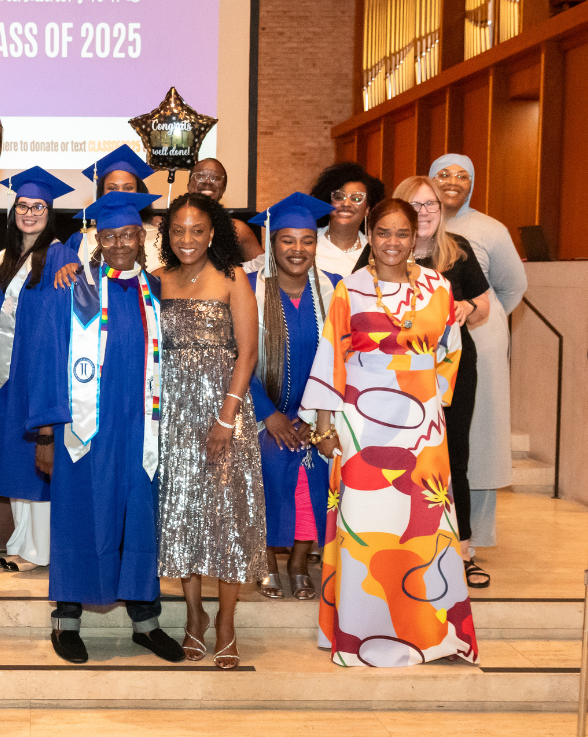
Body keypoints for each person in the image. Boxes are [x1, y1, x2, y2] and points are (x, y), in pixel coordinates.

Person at [301, 198, 479, 668]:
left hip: (421, 430)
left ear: (416, 236)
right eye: (383, 233)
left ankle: (428, 633)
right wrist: (324, 425)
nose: (393, 242)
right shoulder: (350, 290)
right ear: (370, 235)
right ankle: (362, 636)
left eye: (402, 233)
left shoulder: (439, 287)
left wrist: (429, 404)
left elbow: (450, 352)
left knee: (423, 532)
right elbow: (331, 356)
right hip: (361, 424)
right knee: (366, 531)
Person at [26, 190, 184, 665]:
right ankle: (67, 621)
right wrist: (48, 435)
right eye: (109, 235)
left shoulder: (158, 292)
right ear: (97, 238)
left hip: (141, 431)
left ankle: (146, 622)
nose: (119, 243)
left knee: (139, 521)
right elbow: (49, 360)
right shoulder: (73, 288)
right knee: (78, 517)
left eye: (128, 234)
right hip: (84, 432)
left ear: (142, 237)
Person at [354, 177, 492, 587]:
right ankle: (399, 541)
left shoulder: (458, 251)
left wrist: (464, 305)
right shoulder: (378, 250)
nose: (426, 209)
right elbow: (360, 307)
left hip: (446, 370)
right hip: (389, 378)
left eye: (431, 202)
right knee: (399, 459)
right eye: (416, 203)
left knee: (452, 455)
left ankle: (460, 548)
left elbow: (484, 304)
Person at [153, 191, 265, 670]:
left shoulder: (233, 277)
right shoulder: (157, 280)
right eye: (178, 230)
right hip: (172, 414)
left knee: (227, 516)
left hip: (225, 411)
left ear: (213, 231)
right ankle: (193, 617)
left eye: (197, 230)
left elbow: (248, 353)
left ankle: (226, 622)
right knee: (182, 514)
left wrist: (226, 417)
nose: (187, 239)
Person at [430, 154, 527, 570]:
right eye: (444, 174)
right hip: (422, 351)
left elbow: (511, 286)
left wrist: (478, 318)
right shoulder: (411, 224)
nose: (454, 182)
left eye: (463, 175)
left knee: (472, 440)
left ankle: (473, 537)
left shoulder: (488, 229)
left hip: (475, 342)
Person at [245, 194, 340, 603]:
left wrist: (314, 418)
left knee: (315, 464)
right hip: (259, 411)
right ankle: (265, 560)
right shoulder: (250, 288)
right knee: (268, 458)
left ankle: (299, 562)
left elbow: (340, 358)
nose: (297, 249)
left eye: (306, 240)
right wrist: (268, 415)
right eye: (287, 240)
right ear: (271, 243)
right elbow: (238, 357)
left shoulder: (333, 290)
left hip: (316, 414)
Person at [0, 167, 74, 573]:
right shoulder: (4, 257)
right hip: (5, 379)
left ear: (49, 211)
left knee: (36, 464)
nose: (30, 212)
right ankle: (22, 542)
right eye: (23, 205)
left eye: (38, 206)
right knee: (14, 464)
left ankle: (41, 551)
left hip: (33, 374)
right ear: (13, 210)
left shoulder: (58, 255)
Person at [71, 145, 163, 270]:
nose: (120, 193)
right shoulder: (82, 239)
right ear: (102, 193)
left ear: (139, 191)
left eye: (128, 188)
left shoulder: (159, 238)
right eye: (112, 188)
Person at [308, 161, 385, 278]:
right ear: (328, 202)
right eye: (339, 197)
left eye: (357, 198)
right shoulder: (309, 242)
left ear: (367, 210)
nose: (346, 203)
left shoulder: (374, 251)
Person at [186, 157, 264, 264]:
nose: (208, 181)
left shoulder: (238, 230)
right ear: (189, 185)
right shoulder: (170, 226)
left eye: (216, 178)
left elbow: (264, 269)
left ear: (223, 189)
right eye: (200, 176)